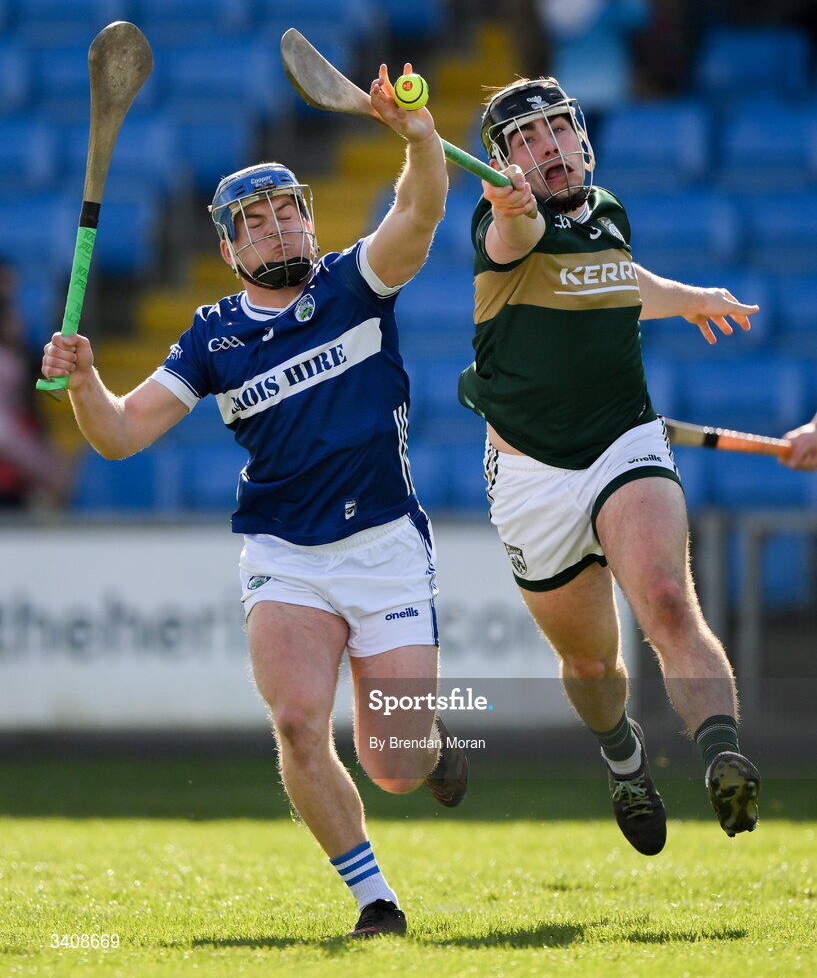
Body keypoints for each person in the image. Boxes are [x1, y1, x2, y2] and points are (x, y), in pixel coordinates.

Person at [40, 63, 467, 938]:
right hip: (284, 555)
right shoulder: (211, 337)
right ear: (231, 250)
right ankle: (373, 901)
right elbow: (120, 433)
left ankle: (432, 749)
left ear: (308, 218)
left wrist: (420, 139)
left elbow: (420, 212)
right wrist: (85, 383)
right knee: (299, 725)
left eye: (287, 211)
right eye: (255, 222)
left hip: (385, 547)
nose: (277, 227)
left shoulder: (357, 282)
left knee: (393, 763)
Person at [458, 76, 762, 856]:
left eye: (556, 130)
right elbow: (515, 238)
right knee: (591, 662)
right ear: (503, 162)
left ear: (578, 135)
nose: (547, 149)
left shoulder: (607, 213)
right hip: (530, 477)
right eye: (525, 140)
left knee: (665, 600)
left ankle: (722, 754)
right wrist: (511, 209)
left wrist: (688, 297)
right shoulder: (501, 227)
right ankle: (624, 761)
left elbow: (617, 281)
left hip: (624, 440)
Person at [0, 261, 69, 511]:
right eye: (13, 320)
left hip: (17, 459)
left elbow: (35, 407)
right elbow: (5, 433)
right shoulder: (8, 364)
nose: (20, 325)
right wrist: (48, 468)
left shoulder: (21, 360)